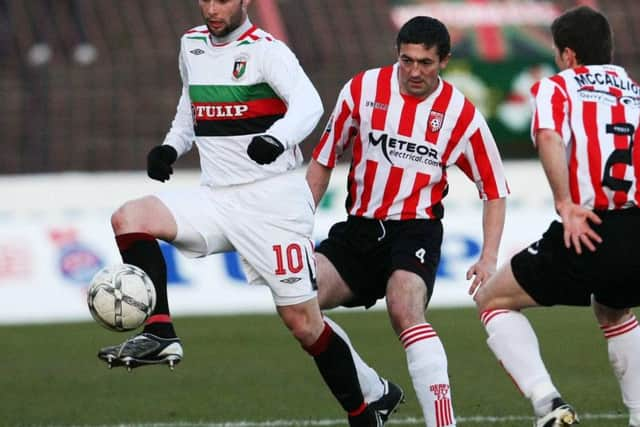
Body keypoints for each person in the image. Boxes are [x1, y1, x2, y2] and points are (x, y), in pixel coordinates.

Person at [96, 1, 388, 425]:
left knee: (305, 325)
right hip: (216, 198)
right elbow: (189, 105)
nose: (214, 8)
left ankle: (367, 409)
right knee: (130, 218)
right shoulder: (191, 44)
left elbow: (309, 105)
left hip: (274, 204)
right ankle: (160, 330)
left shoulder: (268, 50)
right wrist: (171, 147)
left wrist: (277, 138)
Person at [307, 16, 509, 427]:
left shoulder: (460, 115)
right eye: (407, 60)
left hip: (415, 229)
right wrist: (295, 228)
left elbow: (495, 189)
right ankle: (373, 392)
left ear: (444, 61)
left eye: (426, 63)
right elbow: (323, 159)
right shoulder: (363, 90)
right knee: (297, 299)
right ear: (396, 54)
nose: (415, 71)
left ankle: (442, 423)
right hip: (359, 227)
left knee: (404, 307)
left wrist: (489, 257)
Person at [472, 6, 640, 427]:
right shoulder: (635, 90)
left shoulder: (560, 86)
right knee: (614, 311)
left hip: (590, 224)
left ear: (567, 54)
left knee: (492, 299)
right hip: (636, 226)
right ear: (609, 48)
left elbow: (548, 135)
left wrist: (565, 203)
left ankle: (549, 404)